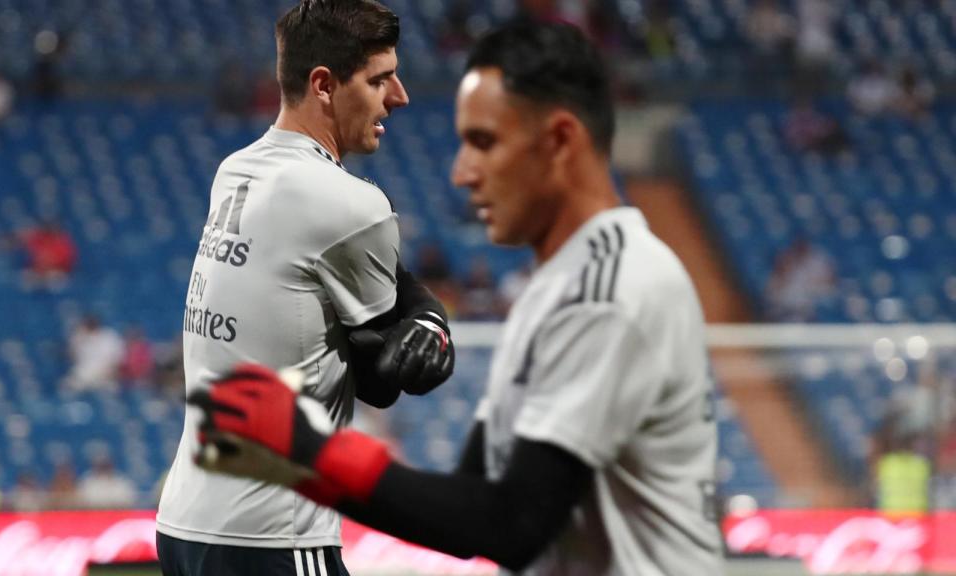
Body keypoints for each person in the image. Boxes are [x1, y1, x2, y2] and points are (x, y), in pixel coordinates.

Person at [190, 21, 723, 575]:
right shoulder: (559, 290)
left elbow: (512, 525)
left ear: (561, 140)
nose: (462, 172)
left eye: (484, 142)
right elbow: (471, 502)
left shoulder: (612, 290)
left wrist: (311, 451)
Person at [156, 2, 455, 575]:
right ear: (323, 84)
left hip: (185, 523)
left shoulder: (236, 170)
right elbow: (382, 382)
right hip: (272, 532)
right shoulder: (350, 204)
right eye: (379, 79)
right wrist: (430, 321)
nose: (400, 96)